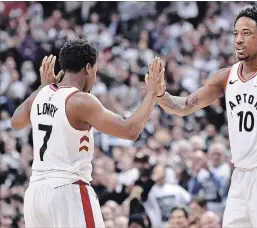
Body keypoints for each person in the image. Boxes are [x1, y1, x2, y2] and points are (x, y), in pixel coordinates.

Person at [149, 7, 257, 227]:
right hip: (240, 176)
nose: (239, 39)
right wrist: (161, 94)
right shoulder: (225, 76)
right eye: (235, 33)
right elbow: (185, 106)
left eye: (246, 33)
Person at [10, 39, 164, 228]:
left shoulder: (41, 94)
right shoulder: (80, 100)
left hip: (35, 194)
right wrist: (151, 94)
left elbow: (16, 121)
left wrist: (42, 87)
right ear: (89, 68)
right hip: (67, 191)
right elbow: (130, 130)